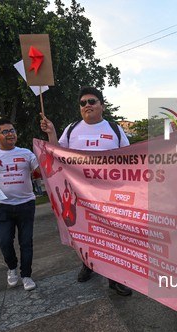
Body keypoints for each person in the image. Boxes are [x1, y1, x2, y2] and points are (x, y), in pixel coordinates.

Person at [40, 86, 133, 297]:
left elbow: (129, 158)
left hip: (108, 194)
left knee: (112, 235)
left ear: (102, 105)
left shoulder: (114, 129)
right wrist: (52, 132)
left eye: (92, 101)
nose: (87, 105)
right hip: (78, 194)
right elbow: (56, 153)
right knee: (84, 232)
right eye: (83, 103)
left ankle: (115, 279)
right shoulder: (72, 129)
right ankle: (88, 264)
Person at [0, 119, 40, 291]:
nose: (10, 133)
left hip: (26, 204)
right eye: (5, 132)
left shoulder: (27, 153)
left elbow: (42, 170)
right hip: (3, 205)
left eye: (12, 130)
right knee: (4, 242)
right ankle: (12, 267)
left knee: (26, 242)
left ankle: (26, 275)